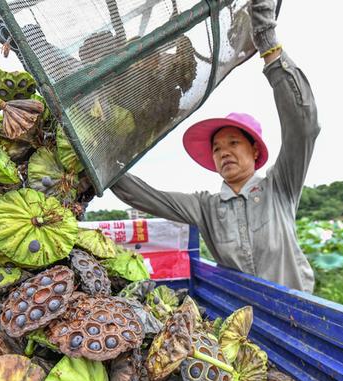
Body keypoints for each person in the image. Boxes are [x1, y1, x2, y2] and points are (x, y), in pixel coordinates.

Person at [112, 0, 320, 293]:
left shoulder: (279, 188)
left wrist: (269, 46)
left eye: (234, 142)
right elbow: (146, 197)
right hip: (245, 319)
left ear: (255, 151)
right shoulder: (206, 207)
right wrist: (103, 162)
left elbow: (303, 126)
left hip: (298, 316)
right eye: (217, 148)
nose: (224, 151)